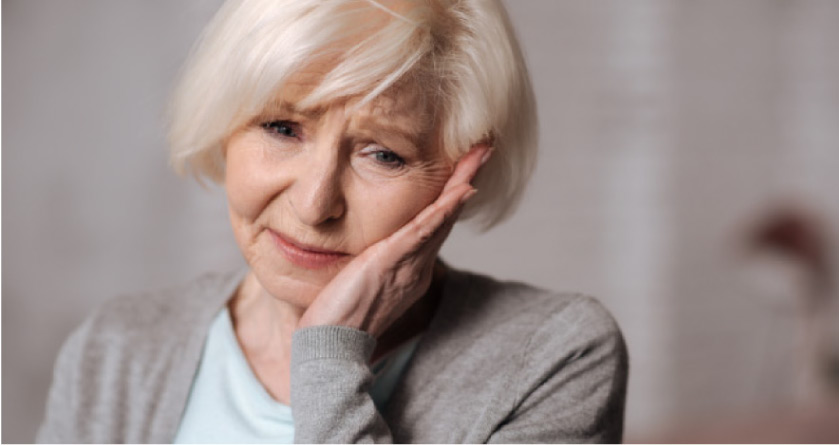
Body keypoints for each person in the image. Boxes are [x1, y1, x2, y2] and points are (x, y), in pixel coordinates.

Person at [38, 0, 628, 442]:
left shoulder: (554, 355)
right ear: (223, 126)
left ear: (460, 178)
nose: (315, 204)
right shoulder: (118, 348)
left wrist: (328, 357)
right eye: (281, 128)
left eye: (384, 153)